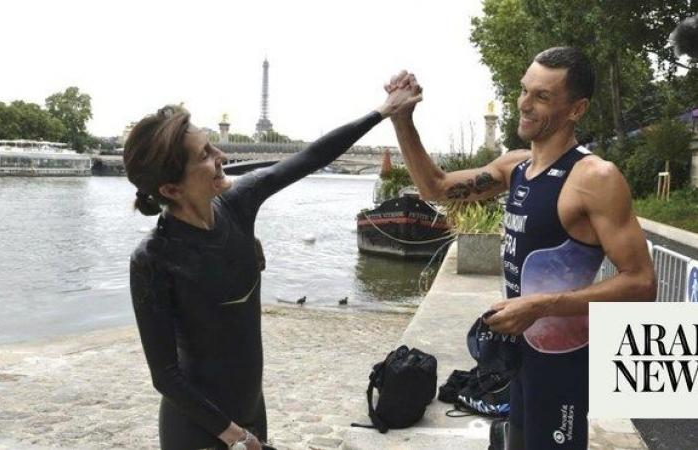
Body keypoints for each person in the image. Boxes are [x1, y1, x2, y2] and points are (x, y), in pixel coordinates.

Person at [384, 47, 656, 449]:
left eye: (542, 96)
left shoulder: (595, 178)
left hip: (562, 358)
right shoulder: (516, 168)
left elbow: (642, 284)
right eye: (524, 91)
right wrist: (402, 120)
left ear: (576, 109)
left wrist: (540, 305)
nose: (524, 105)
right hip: (518, 352)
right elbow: (435, 188)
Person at [124, 88, 421, 450]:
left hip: (251, 412)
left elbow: (311, 156)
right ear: (171, 188)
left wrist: (383, 111)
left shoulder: (238, 203)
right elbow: (166, 377)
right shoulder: (153, 259)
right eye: (205, 154)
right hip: (198, 429)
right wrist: (237, 438)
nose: (221, 156)